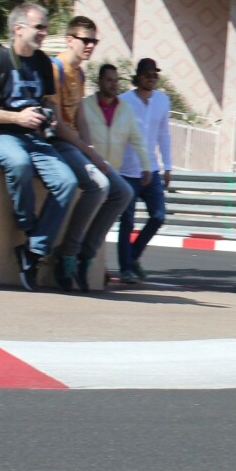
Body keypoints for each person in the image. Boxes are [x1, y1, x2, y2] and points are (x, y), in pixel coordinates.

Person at [0, 2, 78, 291]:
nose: (43, 32)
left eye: (45, 27)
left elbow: (47, 102)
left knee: (67, 181)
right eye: (39, 26)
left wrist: (47, 116)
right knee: (19, 163)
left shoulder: (42, 63)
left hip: (35, 137)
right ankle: (28, 225)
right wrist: (17, 117)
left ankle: (34, 250)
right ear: (18, 29)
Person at [48, 16, 135, 291]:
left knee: (123, 192)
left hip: (77, 145)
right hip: (58, 143)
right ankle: (67, 253)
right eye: (85, 40)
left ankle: (87, 255)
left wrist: (91, 150)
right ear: (69, 39)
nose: (90, 46)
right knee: (98, 186)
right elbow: (58, 124)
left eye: (94, 41)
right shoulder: (56, 69)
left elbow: (80, 116)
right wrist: (88, 151)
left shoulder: (81, 73)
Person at [82, 65, 152, 250]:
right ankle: (80, 257)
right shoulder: (85, 106)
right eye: (109, 80)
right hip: (89, 174)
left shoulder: (125, 109)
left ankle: (93, 260)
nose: (113, 84)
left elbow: (137, 139)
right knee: (86, 220)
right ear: (99, 82)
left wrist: (146, 165)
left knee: (104, 223)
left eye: (116, 80)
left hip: (113, 173)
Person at [116, 58, 172, 283]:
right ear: (138, 76)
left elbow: (164, 135)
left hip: (152, 169)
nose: (151, 79)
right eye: (147, 75)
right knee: (127, 221)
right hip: (127, 170)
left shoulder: (162, 101)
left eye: (155, 75)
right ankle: (125, 268)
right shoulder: (124, 101)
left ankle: (133, 255)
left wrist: (168, 166)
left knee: (158, 216)